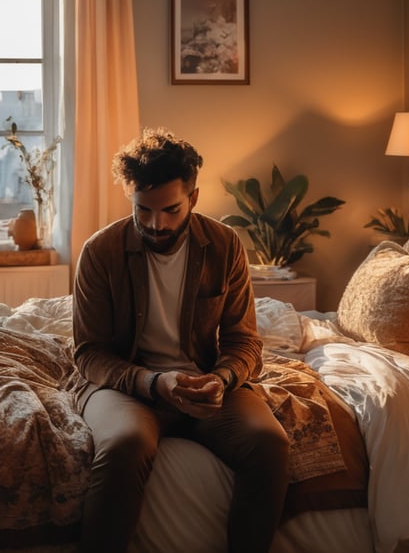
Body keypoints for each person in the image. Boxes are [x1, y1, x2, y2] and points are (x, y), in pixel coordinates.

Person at [72, 127, 291, 553]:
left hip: (205, 382)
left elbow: (244, 341)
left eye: (171, 210)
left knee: (270, 443)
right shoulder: (100, 252)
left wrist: (223, 380)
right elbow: (88, 352)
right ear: (130, 197)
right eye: (144, 210)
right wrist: (154, 383)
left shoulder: (225, 246)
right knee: (125, 445)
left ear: (193, 196)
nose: (157, 224)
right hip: (128, 385)